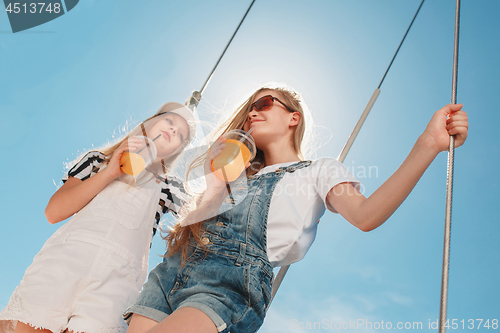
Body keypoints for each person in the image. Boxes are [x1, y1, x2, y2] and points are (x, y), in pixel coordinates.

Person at [124, 84, 469, 333]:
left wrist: (429, 144)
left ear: (293, 117)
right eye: (247, 112)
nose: (252, 113)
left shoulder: (318, 171)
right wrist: (217, 180)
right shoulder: (233, 176)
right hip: (170, 274)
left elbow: (367, 215)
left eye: (263, 103)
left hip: (227, 286)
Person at [0, 102, 197, 333]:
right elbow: (53, 212)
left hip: (116, 282)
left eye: (181, 134)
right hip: (62, 263)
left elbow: (203, 216)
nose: (174, 130)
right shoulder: (97, 161)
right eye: (170, 121)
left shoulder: (169, 187)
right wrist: (111, 171)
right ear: (149, 124)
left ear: (177, 150)